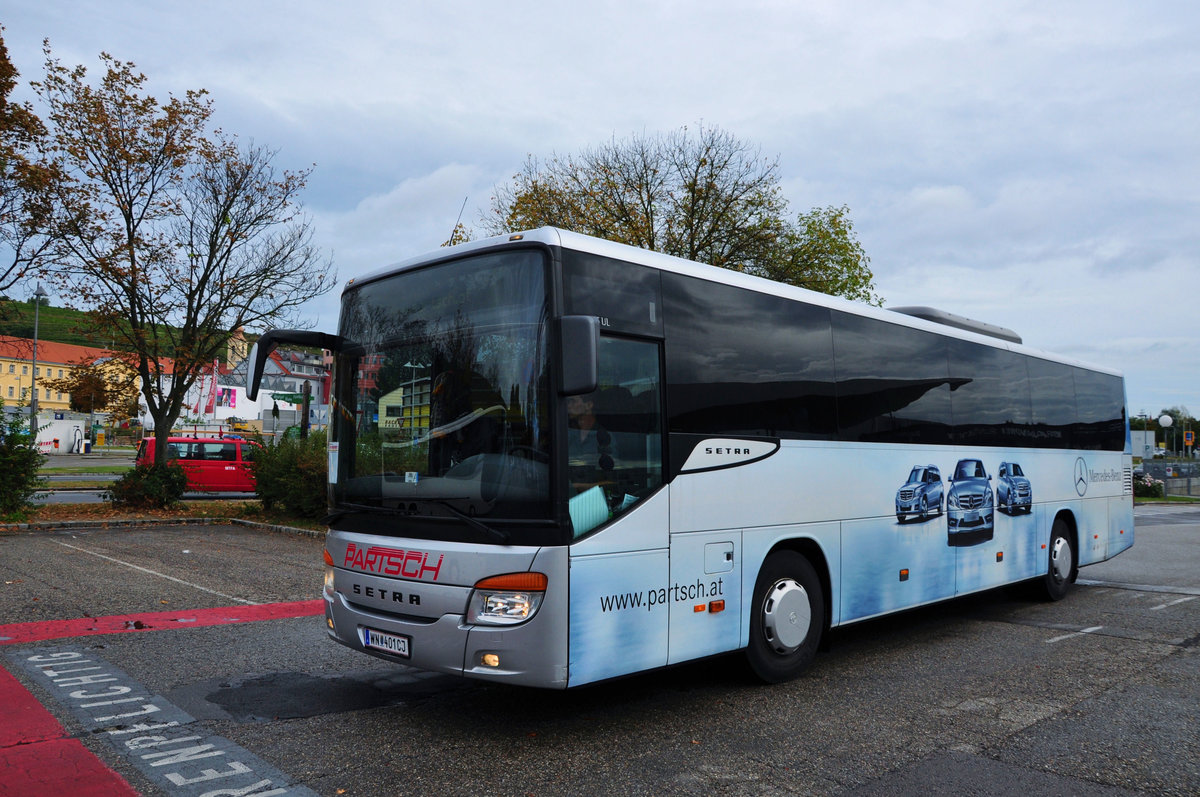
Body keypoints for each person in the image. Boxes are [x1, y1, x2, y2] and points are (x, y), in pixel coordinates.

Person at [567, 393, 614, 495]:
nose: (568, 406)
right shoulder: (568, 435)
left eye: (573, 401)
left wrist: (578, 487)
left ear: (589, 405)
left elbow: (612, 480)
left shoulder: (604, 437)